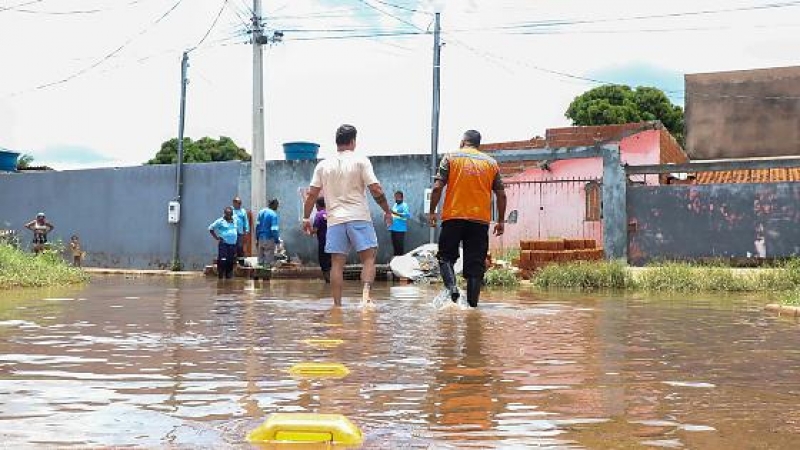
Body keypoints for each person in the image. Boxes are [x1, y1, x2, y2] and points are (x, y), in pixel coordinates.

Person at [302, 124, 393, 307]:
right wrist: (387, 210)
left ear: (337, 142)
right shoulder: (361, 161)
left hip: (335, 220)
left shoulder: (323, 165)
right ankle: (365, 299)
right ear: (353, 141)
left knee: (337, 264)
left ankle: (337, 307)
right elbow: (375, 189)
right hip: (358, 216)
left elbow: (312, 194)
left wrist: (306, 218)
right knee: (368, 258)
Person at [428, 130, 506, 308]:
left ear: (463, 142)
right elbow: (501, 195)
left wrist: (432, 212)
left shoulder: (450, 157)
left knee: (445, 257)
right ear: (478, 144)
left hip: (453, 217)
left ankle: (452, 288)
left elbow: (437, 187)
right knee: (475, 266)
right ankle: (472, 307)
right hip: (479, 221)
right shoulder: (491, 163)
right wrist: (501, 221)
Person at [209, 206, 239, 279]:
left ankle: (228, 278)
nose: (229, 216)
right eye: (228, 214)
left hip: (232, 244)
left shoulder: (234, 220)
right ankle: (220, 276)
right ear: (225, 214)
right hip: (224, 244)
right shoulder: (220, 221)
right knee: (223, 260)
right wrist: (216, 237)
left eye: (230, 214)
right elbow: (211, 228)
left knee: (230, 261)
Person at [255, 198, 281, 269]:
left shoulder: (261, 212)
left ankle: (257, 277)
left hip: (260, 238)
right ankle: (266, 279)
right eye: (277, 205)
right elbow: (274, 229)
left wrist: (257, 238)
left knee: (260, 261)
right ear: (274, 205)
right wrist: (277, 240)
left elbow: (257, 226)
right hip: (269, 239)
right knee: (267, 263)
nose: (277, 207)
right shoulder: (273, 215)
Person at [312, 197, 332, 283]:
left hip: (323, 242)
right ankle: (334, 281)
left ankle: (328, 282)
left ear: (318, 205)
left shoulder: (319, 215)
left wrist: (310, 231)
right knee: (333, 262)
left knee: (324, 262)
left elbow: (315, 229)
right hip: (334, 241)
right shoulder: (331, 213)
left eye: (316, 205)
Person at [388, 190, 411, 257]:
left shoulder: (404, 205)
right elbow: (393, 215)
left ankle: (400, 262)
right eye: (395, 197)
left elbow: (407, 215)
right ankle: (395, 261)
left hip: (400, 229)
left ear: (402, 198)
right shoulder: (395, 205)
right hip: (393, 228)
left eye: (398, 197)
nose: (396, 199)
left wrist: (395, 213)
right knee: (395, 246)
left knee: (399, 247)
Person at [231, 196, 250, 261]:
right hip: (231, 232)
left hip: (240, 232)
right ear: (234, 203)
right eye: (238, 203)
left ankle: (241, 261)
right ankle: (232, 261)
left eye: (240, 203)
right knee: (232, 246)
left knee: (240, 246)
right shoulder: (230, 210)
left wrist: (247, 230)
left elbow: (246, 221)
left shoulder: (243, 211)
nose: (239, 205)